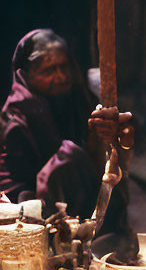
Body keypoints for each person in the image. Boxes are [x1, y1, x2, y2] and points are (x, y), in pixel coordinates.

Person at [0, 29, 133, 230]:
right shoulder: (16, 119)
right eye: (48, 71)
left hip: (68, 196)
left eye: (64, 67)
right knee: (69, 158)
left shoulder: (77, 98)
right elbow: (18, 187)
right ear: (25, 76)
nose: (61, 77)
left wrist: (101, 137)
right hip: (27, 208)